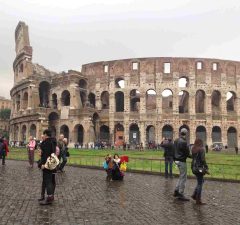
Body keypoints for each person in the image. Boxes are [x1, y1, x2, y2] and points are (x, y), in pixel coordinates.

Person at [38, 129, 57, 205]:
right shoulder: (53, 141)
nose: (43, 136)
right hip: (52, 163)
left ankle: (49, 198)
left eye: (44, 134)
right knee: (50, 180)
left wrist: (43, 164)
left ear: (46, 134)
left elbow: (46, 155)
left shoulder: (47, 143)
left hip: (47, 164)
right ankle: (51, 196)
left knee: (47, 181)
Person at [173, 128, 191, 201]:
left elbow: (173, 150)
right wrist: (193, 156)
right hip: (182, 161)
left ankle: (176, 191)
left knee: (181, 176)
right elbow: (187, 153)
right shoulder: (184, 142)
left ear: (180, 133)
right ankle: (181, 193)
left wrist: (174, 159)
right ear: (186, 134)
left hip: (176, 160)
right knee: (184, 177)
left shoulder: (176, 140)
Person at [191, 139, 209, 205]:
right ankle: (198, 199)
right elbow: (203, 160)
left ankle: (194, 195)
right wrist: (206, 167)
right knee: (200, 183)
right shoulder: (201, 149)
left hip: (194, 168)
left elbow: (193, 158)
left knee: (201, 181)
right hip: (199, 168)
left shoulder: (193, 148)